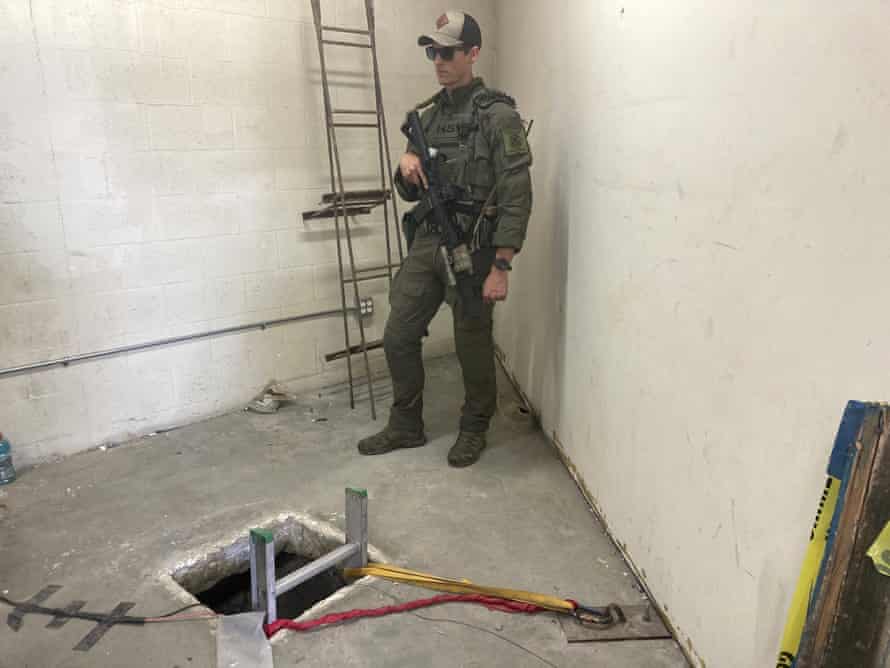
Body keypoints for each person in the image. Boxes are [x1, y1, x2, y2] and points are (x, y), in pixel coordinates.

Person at [357, 10, 533, 467]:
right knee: (398, 333)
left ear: (472, 54)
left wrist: (502, 264)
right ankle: (405, 424)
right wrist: (406, 169)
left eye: (448, 51)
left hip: (473, 249)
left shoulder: (499, 117)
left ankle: (475, 426)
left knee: (471, 342)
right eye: (433, 51)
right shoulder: (427, 117)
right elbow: (408, 190)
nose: (438, 60)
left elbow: (516, 193)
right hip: (428, 241)